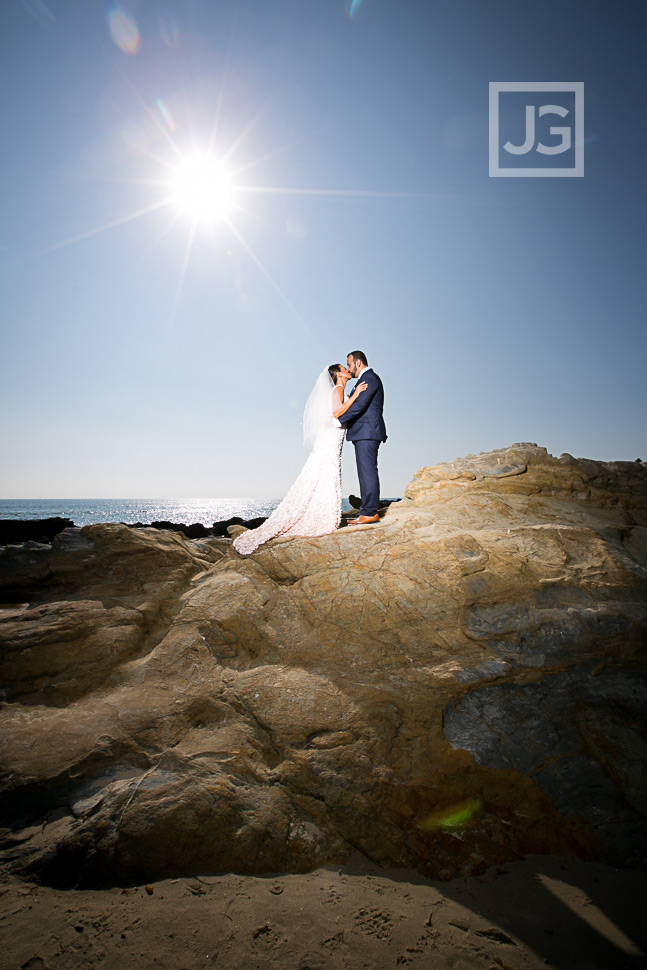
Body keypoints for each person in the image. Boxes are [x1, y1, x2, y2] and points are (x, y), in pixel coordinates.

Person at [232, 365, 368, 555]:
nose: (348, 370)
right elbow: (336, 413)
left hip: (333, 439)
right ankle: (323, 516)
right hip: (330, 440)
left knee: (325, 475)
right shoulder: (338, 389)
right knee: (325, 473)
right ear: (338, 374)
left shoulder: (339, 390)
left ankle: (323, 513)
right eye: (344, 369)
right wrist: (355, 397)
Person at [340, 351, 387, 525]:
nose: (348, 368)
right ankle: (366, 511)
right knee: (365, 472)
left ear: (358, 363)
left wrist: (338, 420)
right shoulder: (364, 380)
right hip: (364, 432)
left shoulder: (370, 379)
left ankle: (369, 512)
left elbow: (359, 406)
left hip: (367, 432)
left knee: (367, 472)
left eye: (349, 364)